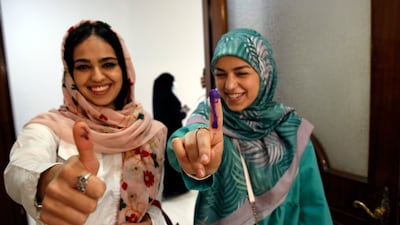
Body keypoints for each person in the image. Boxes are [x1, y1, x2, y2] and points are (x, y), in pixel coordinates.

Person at [4, 20, 171, 225]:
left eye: (108, 64)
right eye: (83, 67)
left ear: (124, 68)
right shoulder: (49, 127)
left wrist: (153, 222)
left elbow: (154, 203)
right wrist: (47, 178)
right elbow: (19, 169)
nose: (97, 76)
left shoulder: (151, 131)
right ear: (70, 74)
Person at [167, 28, 333, 224]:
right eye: (220, 74)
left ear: (264, 73)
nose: (229, 85)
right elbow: (189, 137)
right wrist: (194, 152)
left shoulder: (292, 130)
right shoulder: (211, 116)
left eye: (241, 73)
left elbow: (313, 206)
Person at [152, 72, 188, 198]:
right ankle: (177, 187)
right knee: (175, 159)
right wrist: (183, 113)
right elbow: (174, 116)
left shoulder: (159, 98)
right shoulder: (169, 97)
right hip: (174, 134)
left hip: (165, 135)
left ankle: (170, 188)